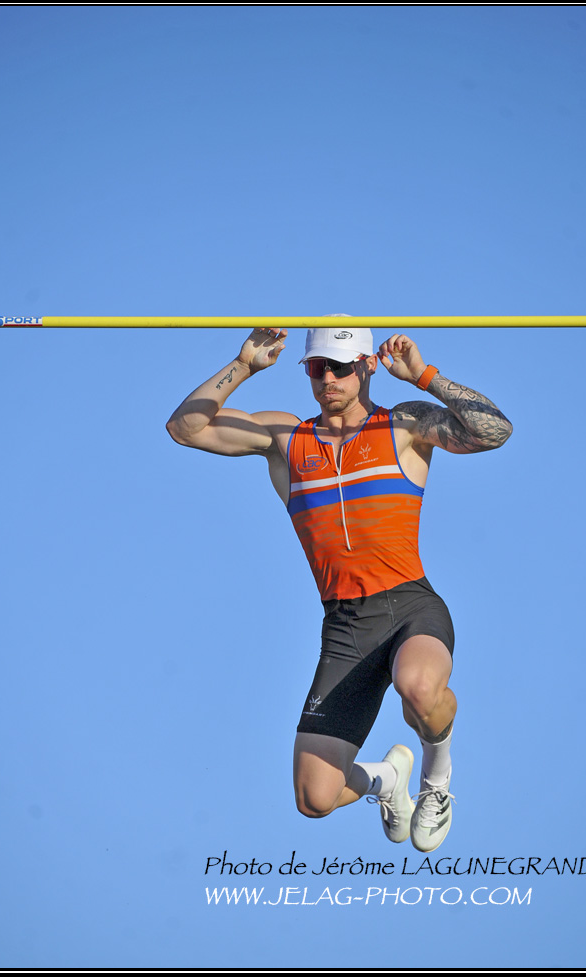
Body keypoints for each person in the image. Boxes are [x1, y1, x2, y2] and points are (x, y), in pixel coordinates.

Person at [166, 317, 513, 851]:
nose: (328, 378)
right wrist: (243, 365)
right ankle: (387, 780)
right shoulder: (286, 438)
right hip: (346, 626)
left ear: (368, 366)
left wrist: (425, 376)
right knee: (315, 798)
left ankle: (436, 782)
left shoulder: (403, 425)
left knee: (419, 689)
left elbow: (494, 431)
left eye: (341, 367)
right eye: (317, 368)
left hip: (409, 607)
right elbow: (185, 429)